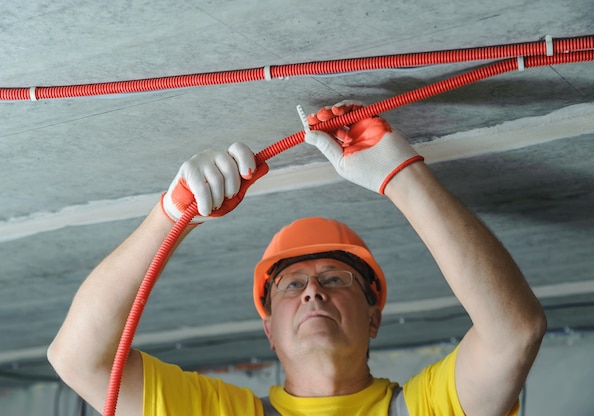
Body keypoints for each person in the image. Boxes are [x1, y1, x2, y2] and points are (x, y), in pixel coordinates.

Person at [48, 100, 547, 415]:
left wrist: (403, 177)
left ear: (374, 317)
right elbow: (76, 359)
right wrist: (169, 214)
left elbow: (514, 333)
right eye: (292, 284)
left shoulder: (424, 410)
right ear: (268, 329)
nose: (313, 290)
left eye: (336, 278)